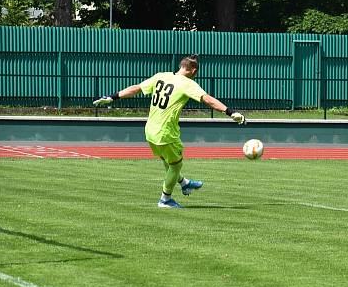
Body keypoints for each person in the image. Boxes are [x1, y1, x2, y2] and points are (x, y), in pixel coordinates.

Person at [93, 54, 246, 208]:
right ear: (193, 71)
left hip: (150, 130)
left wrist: (112, 97)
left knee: (169, 161)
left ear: (181, 66)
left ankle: (184, 183)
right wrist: (231, 112)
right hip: (165, 132)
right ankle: (165, 199)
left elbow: (136, 88)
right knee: (176, 165)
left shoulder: (162, 76)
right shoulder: (187, 83)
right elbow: (208, 100)